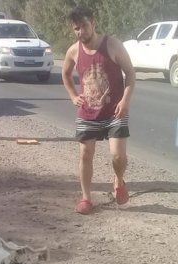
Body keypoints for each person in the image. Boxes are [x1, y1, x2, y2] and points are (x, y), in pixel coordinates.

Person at [61, 6, 135, 214]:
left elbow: (130, 74)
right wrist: (73, 96)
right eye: (76, 28)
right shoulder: (74, 51)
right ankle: (86, 198)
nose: (80, 32)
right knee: (85, 154)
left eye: (84, 26)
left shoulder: (112, 45)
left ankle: (118, 180)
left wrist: (125, 101)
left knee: (118, 156)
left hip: (115, 112)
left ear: (93, 23)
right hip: (88, 113)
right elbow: (65, 74)